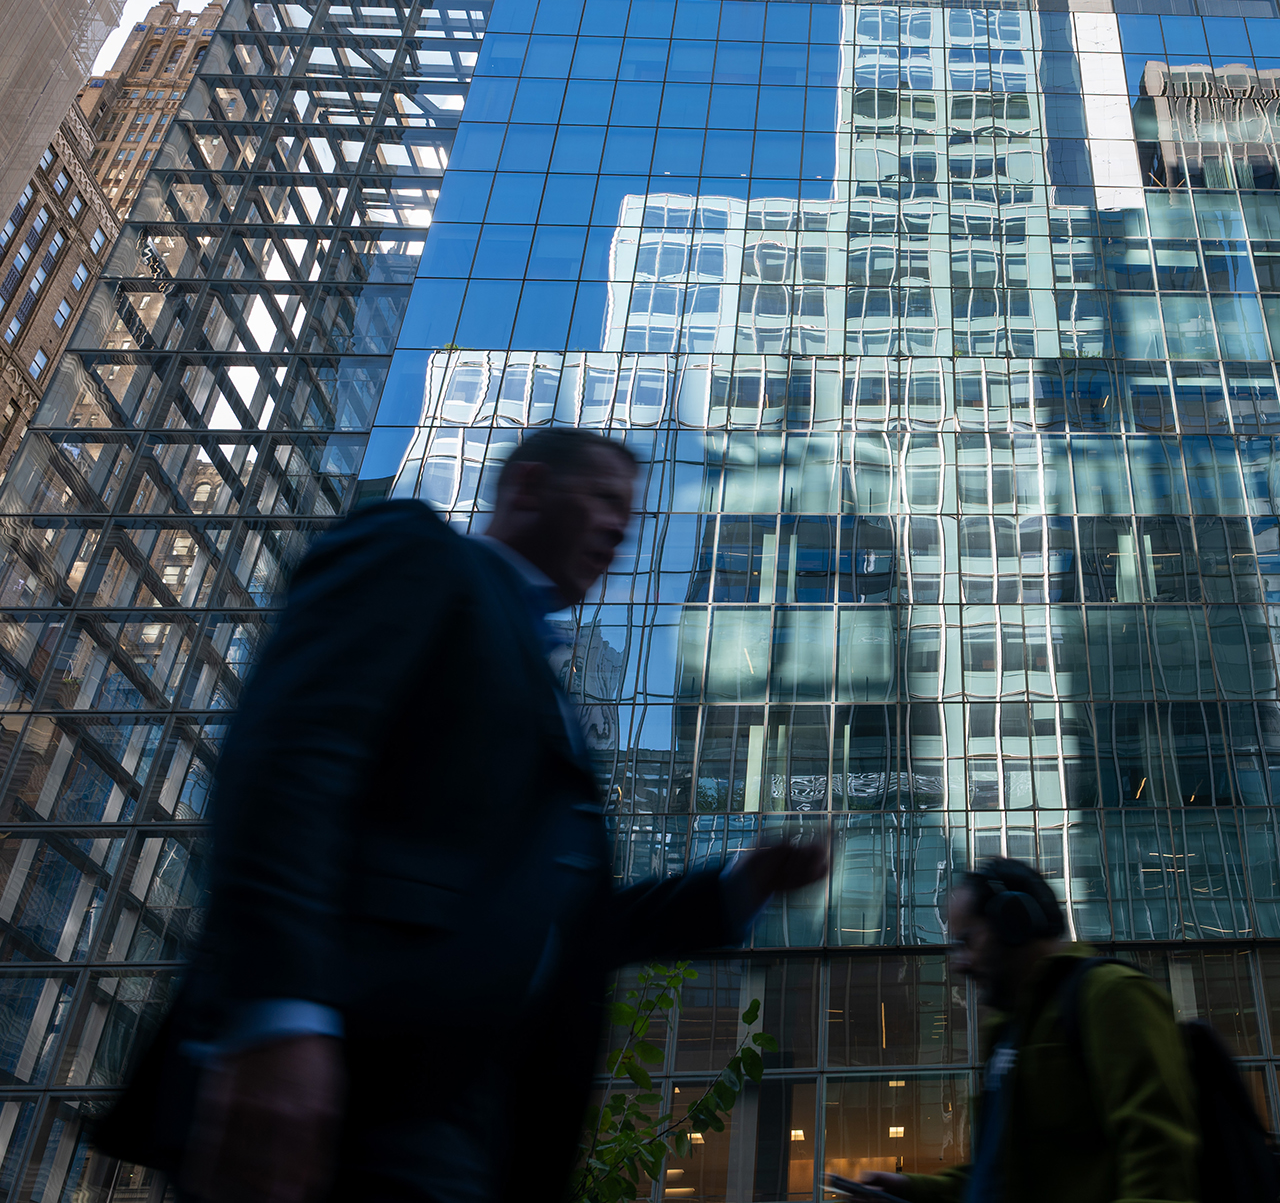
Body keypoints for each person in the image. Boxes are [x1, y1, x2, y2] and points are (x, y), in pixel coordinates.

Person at [94, 428, 829, 1203]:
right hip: (344, 1082)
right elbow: (291, 757)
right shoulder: (416, 553)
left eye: (631, 512)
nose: (622, 526)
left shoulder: (554, 691)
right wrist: (280, 1010)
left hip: (468, 1127)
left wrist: (736, 886)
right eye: (606, 498)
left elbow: (569, 926)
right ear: (530, 488)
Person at [857, 858, 1199, 1203]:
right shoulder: (1009, 1032)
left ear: (1014, 921)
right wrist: (914, 1190)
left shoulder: (1111, 994)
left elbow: (1159, 1157)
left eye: (967, 941)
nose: (959, 964)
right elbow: (1004, 1176)